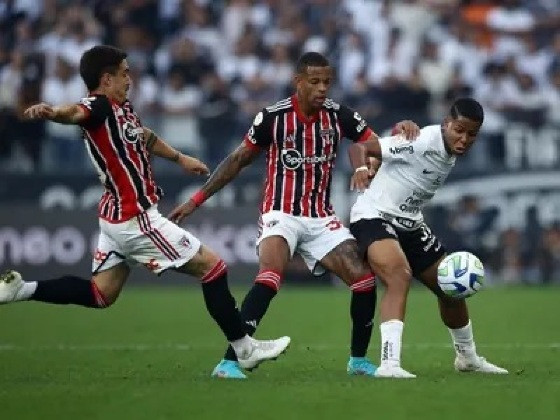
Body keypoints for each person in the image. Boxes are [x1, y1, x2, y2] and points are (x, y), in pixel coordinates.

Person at [0, 45, 290, 371]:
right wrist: (52, 112)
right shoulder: (98, 106)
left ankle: (22, 289)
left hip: (113, 218)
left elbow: (145, 136)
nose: (130, 78)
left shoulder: (121, 109)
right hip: (135, 219)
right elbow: (75, 112)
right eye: (124, 73)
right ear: (106, 78)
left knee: (101, 294)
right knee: (214, 268)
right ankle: (244, 349)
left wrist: (180, 159)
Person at [169, 51, 419, 379]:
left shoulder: (339, 115)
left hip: (320, 217)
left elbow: (375, 144)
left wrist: (400, 131)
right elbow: (237, 160)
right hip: (281, 213)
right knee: (271, 275)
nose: (322, 88)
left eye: (327, 82)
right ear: (297, 82)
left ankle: (358, 361)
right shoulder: (273, 117)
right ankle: (230, 362)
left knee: (363, 281)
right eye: (314, 82)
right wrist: (196, 200)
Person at [347, 97, 508, 378]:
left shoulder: (449, 150)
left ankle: (467, 358)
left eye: (472, 134)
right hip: (374, 216)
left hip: (410, 224)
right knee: (399, 275)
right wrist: (363, 168)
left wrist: (377, 159)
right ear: (446, 124)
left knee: (449, 286)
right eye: (459, 130)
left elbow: (387, 156)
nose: (464, 139)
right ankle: (389, 364)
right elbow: (360, 145)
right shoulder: (421, 140)